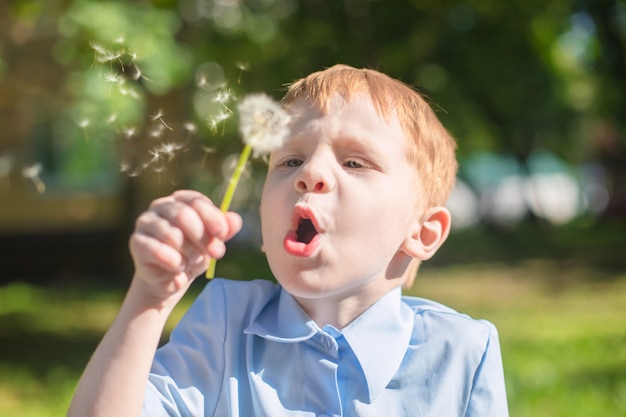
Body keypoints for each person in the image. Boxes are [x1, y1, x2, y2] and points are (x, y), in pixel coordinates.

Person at [67, 64, 508, 417]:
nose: (309, 174)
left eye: (355, 162)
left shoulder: (462, 352)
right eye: (290, 159)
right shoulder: (224, 324)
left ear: (421, 232)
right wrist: (150, 297)